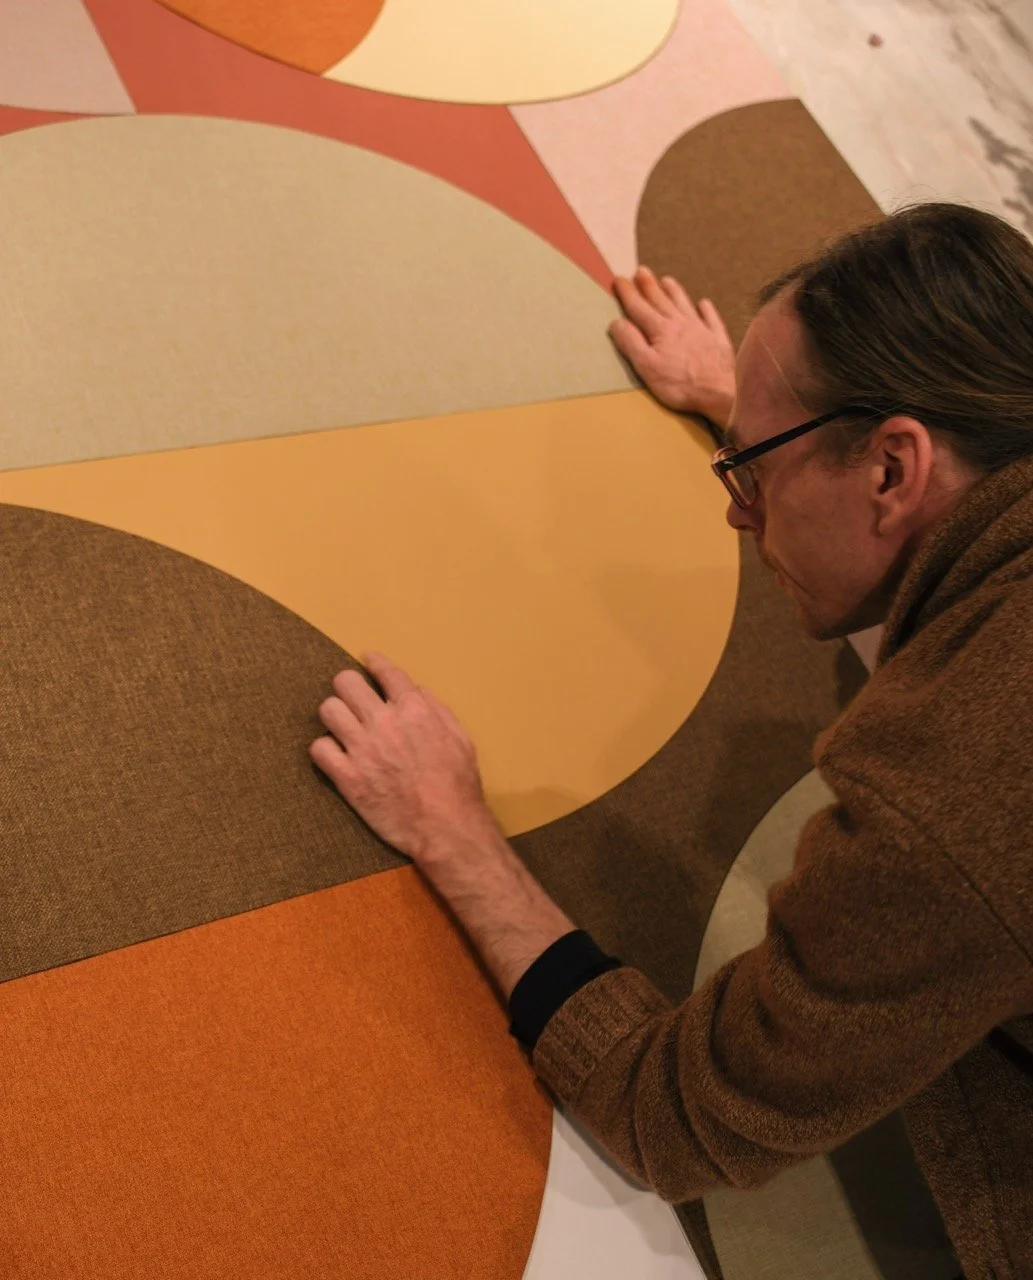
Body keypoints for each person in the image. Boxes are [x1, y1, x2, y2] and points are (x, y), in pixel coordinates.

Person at [308, 203, 1033, 1280]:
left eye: (753, 471)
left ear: (892, 467)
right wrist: (769, 426)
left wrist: (452, 827)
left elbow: (674, 1115)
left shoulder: (950, 803)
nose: (739, 512)